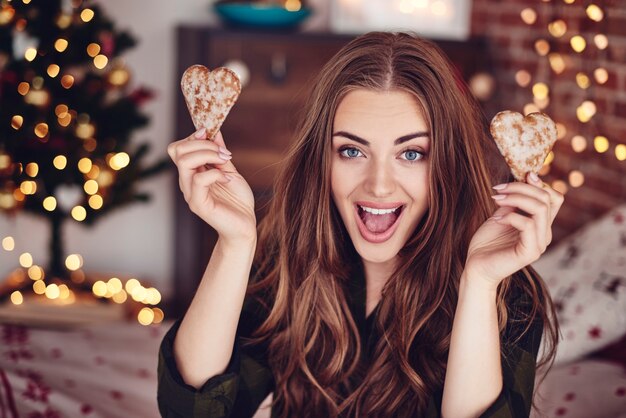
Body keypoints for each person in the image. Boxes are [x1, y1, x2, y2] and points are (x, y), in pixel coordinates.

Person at [158, 32, 562, 418]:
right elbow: (194, 411)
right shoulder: (286, 257)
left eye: (412, 154)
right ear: (322, 161)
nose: (379, 185)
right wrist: (235, 243)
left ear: (447, 165)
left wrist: (478, 283)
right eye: (351, 150)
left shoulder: (510, 295)